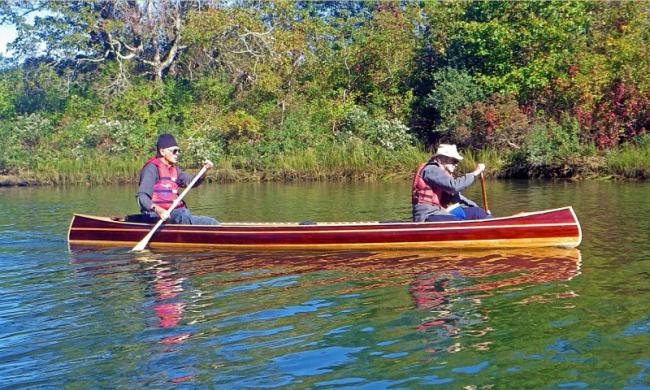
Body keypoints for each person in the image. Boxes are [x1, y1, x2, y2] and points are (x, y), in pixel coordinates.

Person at [136, 133, 219, 225]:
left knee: (209, 221)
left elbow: (191, 182)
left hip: (176, 215)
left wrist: (204, 171)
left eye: (179, 151)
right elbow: (142, 197)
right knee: (185, 215)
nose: (177, 154)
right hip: (156, 216)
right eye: (174, 151)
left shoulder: (174, 169)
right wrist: (158, 209)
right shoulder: (151, 169)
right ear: (162, 151)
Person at [412, 144, 490, 222]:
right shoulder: (431, 169)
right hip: (427, 214)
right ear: (441, 159)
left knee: (477, 213)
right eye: (454, 161)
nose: (456, 164)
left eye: (457, 162)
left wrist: (479, 208)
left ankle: (493, 225)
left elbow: (458, 198)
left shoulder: (443, 175)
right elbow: (454, 186)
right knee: (457, 223)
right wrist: (475, 173)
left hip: (440, 211)